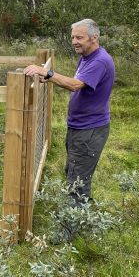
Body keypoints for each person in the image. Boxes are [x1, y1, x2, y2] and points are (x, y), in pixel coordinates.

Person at [24, 18, 115, 206]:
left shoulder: (99, 61)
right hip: (80, 127)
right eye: (73, 37)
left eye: (79, 37)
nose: (74, 41)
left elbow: (75, 85)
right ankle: (82, 213)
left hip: (89, 130)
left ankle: (72, 229)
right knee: (74, 171)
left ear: (94, 38)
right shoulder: (87, 57)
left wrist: (47, 74)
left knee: (78, 180)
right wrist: (49, 79)